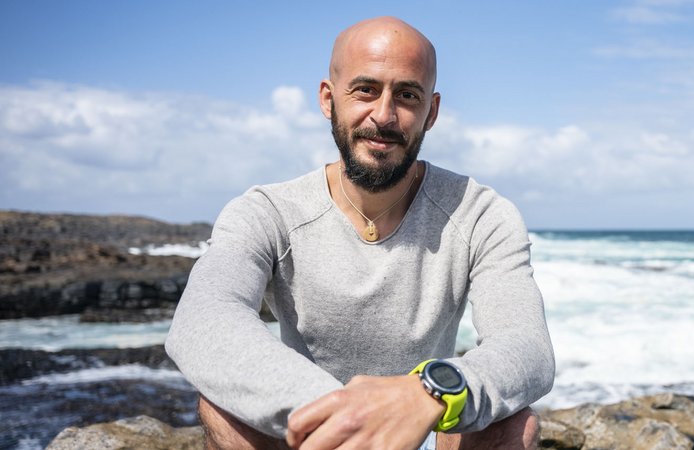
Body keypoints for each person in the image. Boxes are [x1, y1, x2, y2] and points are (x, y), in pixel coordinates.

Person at [165, 16, 555, 450]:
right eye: (365, 90)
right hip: (310, 428)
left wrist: (428, 392)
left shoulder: (481, 214)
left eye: (407, 95)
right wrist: (351, 415)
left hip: (423, 430)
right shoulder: (267, 211)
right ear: (328, 100)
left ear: (432, 112)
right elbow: (204, 319)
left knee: (514, 425)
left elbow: (527, 347)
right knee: (220, 408)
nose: (384, 115)